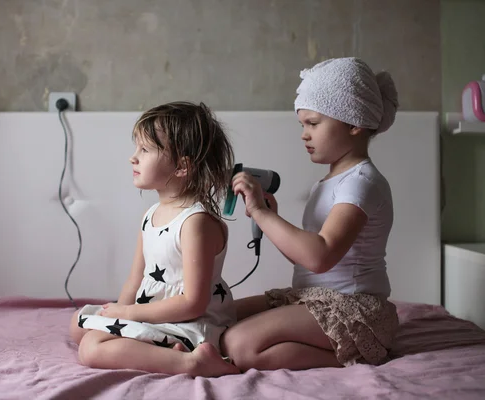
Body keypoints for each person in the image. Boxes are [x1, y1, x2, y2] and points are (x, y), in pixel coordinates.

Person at [220, 57, 400, 371]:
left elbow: (321, 256)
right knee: (220, 315)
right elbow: (307, 259)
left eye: (313, 123)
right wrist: (272, 217)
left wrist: (263, 214)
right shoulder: (327, 182)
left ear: (354, 122)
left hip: (353, 309)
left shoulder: (360, 183)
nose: (304, 134)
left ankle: (359, 354)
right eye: (302, 124)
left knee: (239, 344)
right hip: (311, 296)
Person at [69, 101, 239, 377]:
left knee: (90, 347)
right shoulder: (151, 215)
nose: (133, 157)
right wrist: (119, 310)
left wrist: (129, 315)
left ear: (182, 166)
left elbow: (193, 303)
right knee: (78, 324)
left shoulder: (195, 223)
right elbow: (135, 280)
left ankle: (193, 362)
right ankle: (157, 352)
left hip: (188, 323)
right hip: (152, 315)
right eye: (136, 148)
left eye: (145, 150)